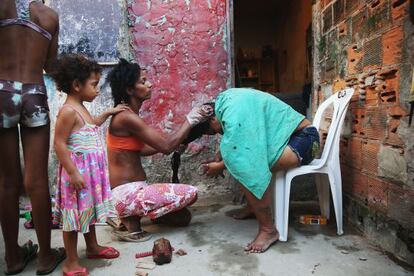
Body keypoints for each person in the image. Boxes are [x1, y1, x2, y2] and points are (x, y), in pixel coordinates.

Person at [195, 88, 320, 253]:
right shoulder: (228, 103)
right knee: (241, 159)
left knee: (246, 165)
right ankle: (253, 207)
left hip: (306, 140)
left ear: (212, 119)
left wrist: (221, 165)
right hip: (291, 140)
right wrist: (224, 158)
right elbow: (244, 140)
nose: (218, 132)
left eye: (213, 131)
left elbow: (245, 151)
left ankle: (269, 230)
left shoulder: (232, 107)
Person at [106, 59, 212, 242]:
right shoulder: (126, 118)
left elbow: (142, 150)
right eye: (143, 81)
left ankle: (131, 217)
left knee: (183, 218)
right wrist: (191, 119)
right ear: (130, 90)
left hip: (135, 190)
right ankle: (128, 220)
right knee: (191, 193)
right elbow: (165, 146)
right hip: (127, 194)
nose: (150, 84)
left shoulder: (128, 116)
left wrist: (177, 143)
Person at [0, 0, 66, 274]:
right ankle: (45, 257)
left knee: (6, 181)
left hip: (2, 92)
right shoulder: (49, 15)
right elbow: (50, 67)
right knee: (36, 180)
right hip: (33, 94)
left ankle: (14, 257)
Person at [51, 54, 126, 276]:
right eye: (94, 85)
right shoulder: (67, 111)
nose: (97, 90)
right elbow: (59, 144)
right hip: (76, 176)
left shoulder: (81, 107)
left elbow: (91, 126)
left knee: (87, 213)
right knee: (72, 219)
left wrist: (107, 113)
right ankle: (71, 262)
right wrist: (73, 172)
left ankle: (92, 247)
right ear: (76, 85)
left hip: (87, 177)